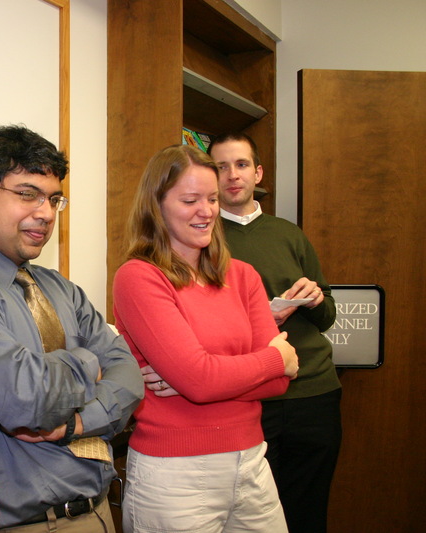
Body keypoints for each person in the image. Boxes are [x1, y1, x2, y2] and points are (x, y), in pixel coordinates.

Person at [0, 125, 143, 531]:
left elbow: (130, 378)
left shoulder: (60, 288)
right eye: (27, 194)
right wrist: (89, 362)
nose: (46, 213)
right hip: (24, 524)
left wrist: (75, 424)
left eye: (53, 199)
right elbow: (26, 401)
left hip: (99, 511)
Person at [112, 144, 299, 533]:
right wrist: (274, 359)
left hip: (252, 463)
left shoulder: (243, 276)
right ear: (156, 206)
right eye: (190, 200)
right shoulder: (139, 277)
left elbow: (279, 383)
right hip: (175, 476)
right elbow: (201, 381)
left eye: (212, 199)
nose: (207, 210)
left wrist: (204, 377)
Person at [208, 132, 341, 533]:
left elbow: (328, 317)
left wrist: (314, 299)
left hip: (314, 391)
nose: (233, 175)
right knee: (255, 516)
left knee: (309, 510)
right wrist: (259, 321)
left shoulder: (290, 233)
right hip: (252, 395)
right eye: (221, 167)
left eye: (241, 165)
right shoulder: (203, 238)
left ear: (258, 173)